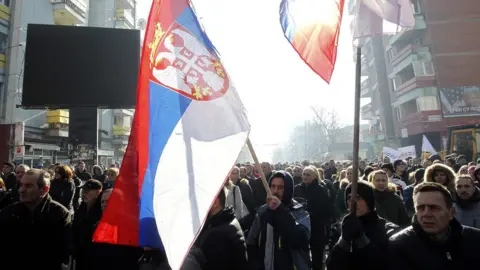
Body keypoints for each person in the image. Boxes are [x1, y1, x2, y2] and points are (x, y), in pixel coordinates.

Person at [389, 182, 480, 269]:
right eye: (420, 208)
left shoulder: (475, 239)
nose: (426, 214)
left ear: (452, 212)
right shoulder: (399, 245)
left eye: (434, 208)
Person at [0, 169, 72, 270]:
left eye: (28, 186)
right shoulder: (9, 212)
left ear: (44, 189)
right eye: (21, 185)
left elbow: (62, 252)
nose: (21, 190)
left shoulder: (59, 214)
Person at [326, 180, 399, 270]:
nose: (353, 202)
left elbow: (385, 264)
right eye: (349, 198)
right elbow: (331, 266)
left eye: (358, 197)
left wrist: (362, 240)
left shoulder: (388, 229)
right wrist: (343, 241)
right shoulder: (338, 229)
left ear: (369, 200)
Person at [247, 171, 311, 270]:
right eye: (273, 186)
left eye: (280, 187)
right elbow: (251, 242)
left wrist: (281, 210)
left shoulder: (300, 212)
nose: (275, 191)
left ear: (289, 189)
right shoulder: (262, 212)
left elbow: (300, 240)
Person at [191, 187, 248, 270]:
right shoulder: (225, 220)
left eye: (201, 199)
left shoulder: (217, 234)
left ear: (215, 203)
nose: (198, 204)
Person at [294, 166, 332, 270]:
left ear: (315, 177)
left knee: (317, 255)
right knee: (302, 254)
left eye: (308, 174)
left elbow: (325, 208)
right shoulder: (297, 188)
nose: (305, 176)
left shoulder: (320, 189)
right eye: (304, 174)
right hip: (301, 225)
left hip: (317, 226)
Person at [72, 180, 104, 270]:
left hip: (94, 257)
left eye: (87, 191)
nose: (84, 194)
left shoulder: (102, 209)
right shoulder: (82, 206)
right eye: (83, 191)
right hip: (79, 254)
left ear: (98, 192)